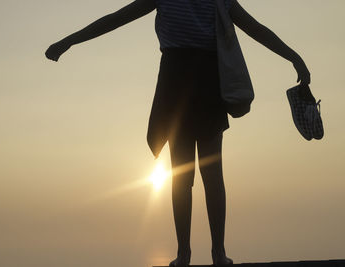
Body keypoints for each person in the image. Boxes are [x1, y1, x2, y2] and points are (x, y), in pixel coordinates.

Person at [45, 0, 311, 266]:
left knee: (187, 176)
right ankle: (211, 254)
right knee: (208, 176)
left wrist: (68, 41)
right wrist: (295, 58)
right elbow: (257, 29)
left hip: (180, 83)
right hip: (199, 84)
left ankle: (189, 254)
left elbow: (116, 18)